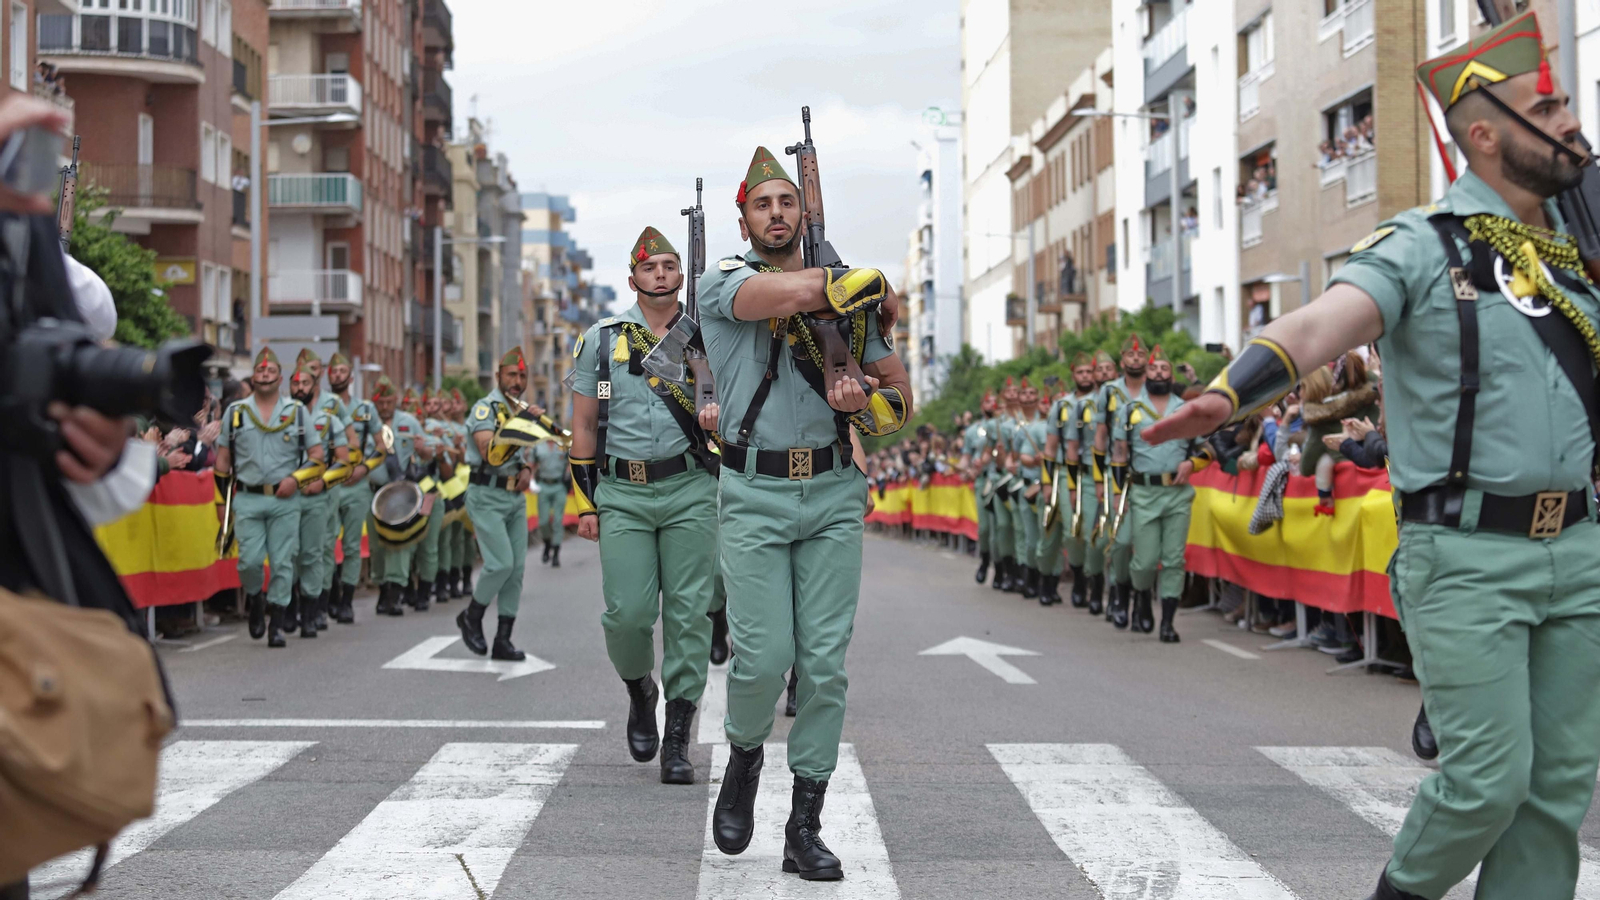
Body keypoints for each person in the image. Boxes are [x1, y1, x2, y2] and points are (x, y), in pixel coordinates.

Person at [1145, 14, 1600, 899]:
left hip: (1579, 551)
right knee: (1486, 786)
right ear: (1485, 135)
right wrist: (1229, 393)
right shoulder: (1423, 246)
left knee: (1555, 793)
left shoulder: (1580, 260)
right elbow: (1320, 324)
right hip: (1465, 554)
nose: (1571, 117)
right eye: (1545, 105)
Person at [696, 146, 909, 880]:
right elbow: (778, 299)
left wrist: (862, 402)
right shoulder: (722, 281)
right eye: (765, 203)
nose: (778, 213)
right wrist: (856, 282)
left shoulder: (849, 311)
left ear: (803, 213)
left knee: (823, 666)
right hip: (751, 493)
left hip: (832, 494)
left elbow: (898, 398)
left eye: (789, 202)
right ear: (745, 217)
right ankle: (745, 758)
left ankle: (805, 824)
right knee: (761, 659)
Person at [569, 225, 721, 785]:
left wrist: (716, 416)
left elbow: (733, 404)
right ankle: (639, 688)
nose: (660, 274)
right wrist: (587, 503)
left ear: (683, 276)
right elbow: (584, 424)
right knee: (628, 614)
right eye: (649, 267)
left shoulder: (708, 336)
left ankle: (678, 735)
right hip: (623, 494)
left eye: (669, 265)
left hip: (689, 488)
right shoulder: (602, 340)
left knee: (689, 615)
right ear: (631, 278)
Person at [214, 348, 323, 648]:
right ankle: (255, 600)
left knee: (282, 562)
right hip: (247, 498)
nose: (264, 375)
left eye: (270, 371)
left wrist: (295, 479)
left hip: (284, 500)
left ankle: (277, 622)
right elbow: (222, 461)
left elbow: (317, 457)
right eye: (259, 371)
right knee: (248, 562)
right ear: (254, 376)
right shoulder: (235, 413)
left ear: (279, 377)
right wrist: (221, 505)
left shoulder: (297, 413)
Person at [1112, 346, 1211, 643]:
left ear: (1171, 374)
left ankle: (1167, 622)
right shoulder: (1130, 410)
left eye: (1164, 369)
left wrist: (1192, 463)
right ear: (1145, 374)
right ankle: (1141, 597)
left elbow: (1209, 447)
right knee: (1144, 562)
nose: (1158, 374)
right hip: (1143, 491)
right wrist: (1118, 495)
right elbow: (1119, 454)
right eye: (1153, 369)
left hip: (1178, 493)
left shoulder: (1186, 410)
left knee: (1174, 560)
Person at [460, 348, 541, 660]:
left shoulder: (518, 410)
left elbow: (520, 457)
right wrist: (523, 424)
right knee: (500, 563)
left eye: (522, 376)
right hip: (486, 496)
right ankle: (471, 616)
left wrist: (525, 469)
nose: (517, 381)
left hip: (514, 498)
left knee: (517, 569)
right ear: (498, 376)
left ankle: (503, 640)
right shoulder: (485, 409)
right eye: (511, 374)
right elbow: (488, 451)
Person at [287, 360, 347, 637]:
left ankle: (312, 611)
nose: (299, 388)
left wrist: (322, 483)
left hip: (316, 496)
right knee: (287, 553)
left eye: (305, 383)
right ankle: (288, 608)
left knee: (314, 553)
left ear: (315, 386)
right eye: (295, 383)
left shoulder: (330, 420)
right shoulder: (279, 417)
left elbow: (344, 462)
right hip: (285, 497)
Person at [366, 376, 433, 617]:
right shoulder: (366, 422)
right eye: (380, 402)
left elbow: (427, 453)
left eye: (388, 401)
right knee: (377, 546)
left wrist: (422, 448)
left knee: (400, 544)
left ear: (395, 400)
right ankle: (383, 588)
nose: (384, 406)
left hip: (402, 492)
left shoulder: (409, 422)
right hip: (375, 492)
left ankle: (395, 592)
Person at [1094, 336, 1148, 627]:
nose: (1136, 359)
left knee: (1145, 545)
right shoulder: (1110, 391)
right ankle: (1118, 593)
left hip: (1150, 471)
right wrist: (1099, 481)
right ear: (1122, 359)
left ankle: (1141, 601)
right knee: (1121, 540)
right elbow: (1100, 435)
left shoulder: (1157, 389)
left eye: (1141, 355)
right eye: (1130, 354)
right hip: (1117, 472)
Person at [327, 353, 378, 624]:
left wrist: (365, 468)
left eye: (342, 370)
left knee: (351, 545)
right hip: (328, 483)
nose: (337, 375)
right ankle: (331, 593)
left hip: (356, 485)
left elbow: (382, 447)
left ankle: (346, 600)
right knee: (324, 542)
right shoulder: (319, 407)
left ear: (351, 376)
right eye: (333, 371)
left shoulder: (366, 410)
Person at [1045, 353, 1098, 609]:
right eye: (1081, 373)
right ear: (1073, 375)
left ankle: (1093, 582)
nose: (1086, 377)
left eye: (1090, 372)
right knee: (1072, 532)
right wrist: (1047, 483)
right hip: (1069, 473)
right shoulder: (1061, 406)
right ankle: (1078, 576)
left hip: (1101, 473)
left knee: (1095, 534)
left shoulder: (1105, 402)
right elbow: (1051, 447)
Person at [1009, 378, 1048, 601]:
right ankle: (1025, 575)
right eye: (1024, 394)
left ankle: (1045, 579)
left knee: (1047, 536)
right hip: (1024, 483)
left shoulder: (1052, 424)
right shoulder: (1011, 424)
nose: (1029, 398)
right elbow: (1011, 455)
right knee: (1024, 534)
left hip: (1050, 484)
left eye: (1034, 393)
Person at [962, 393, 1002, 584]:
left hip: (1000, 480)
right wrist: (965, 470)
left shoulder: (1004, 426)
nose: (992, 404)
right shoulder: (972, 431)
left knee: (1000, 528)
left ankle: (1001, 569)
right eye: (987, 401)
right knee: (985, 528)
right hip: (982, 481)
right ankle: (985, 560)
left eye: (995, 402)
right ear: (981, 404)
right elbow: (966, 457)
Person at [533, 433, 568, 567]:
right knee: (543, 521)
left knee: (558, 521)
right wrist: (531, 480)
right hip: (543, 485)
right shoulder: (538, 446)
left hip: (559, 485)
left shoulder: (562, 446)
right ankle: (547, 543)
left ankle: (556, 554)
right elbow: (532, 464)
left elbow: (571, 461)